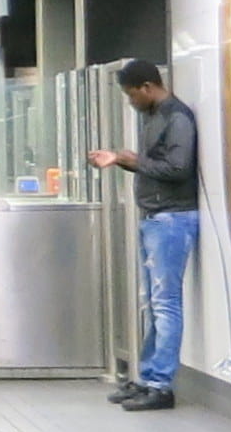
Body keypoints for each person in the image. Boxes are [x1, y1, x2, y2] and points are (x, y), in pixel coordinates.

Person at [85, 58, 199, 409]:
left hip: (172, 219)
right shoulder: (155, 116)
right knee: (153, 303)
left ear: (148, 87)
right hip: (156, 218)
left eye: (132, 94)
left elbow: (178, 168)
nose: (131, 101)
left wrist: (129, 160)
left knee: (165, 304)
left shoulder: (177, 118)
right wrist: (123, 159)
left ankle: (161, 384)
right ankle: (149, 376)